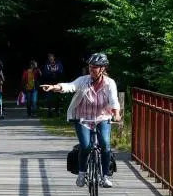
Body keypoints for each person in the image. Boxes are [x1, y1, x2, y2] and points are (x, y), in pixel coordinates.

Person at [41, 52, 121, 188]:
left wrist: (116, 114)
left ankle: (104, 176)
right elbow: (70, 86)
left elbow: (114, 100)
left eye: (94, 67)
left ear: (102, 69)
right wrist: (55, 87)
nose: (91, 69)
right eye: (90, 67)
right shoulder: (83, 80)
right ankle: (82, 173)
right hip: (82, 118)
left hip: (102, 117)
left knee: (105, 145)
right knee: (85, 146)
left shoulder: (109, 83)